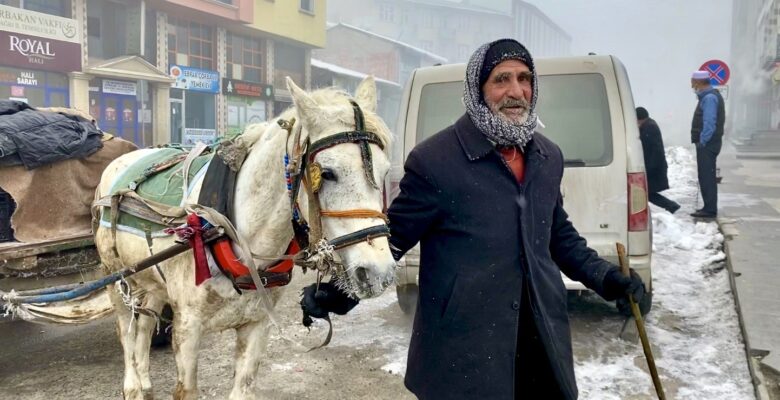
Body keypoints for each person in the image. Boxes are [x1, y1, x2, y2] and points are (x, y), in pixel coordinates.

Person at [386, 38, 647, 400]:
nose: (516, 91)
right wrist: (334, 293)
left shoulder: (546, 155)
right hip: (463, 350)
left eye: (524, 79)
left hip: (540, 340)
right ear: (478, 90)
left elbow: (558, 235)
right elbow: (390, 241)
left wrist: (608, 279)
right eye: (501, 79)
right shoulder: (435, 161)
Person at [690, 70, 725, 219]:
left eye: (692, 82)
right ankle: (708, 206)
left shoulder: (709, 98)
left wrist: (703, 141)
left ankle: (710, 209)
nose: (691, 85)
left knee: (706, 177)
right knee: (706, 176)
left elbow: (709, 123)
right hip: (709, 144)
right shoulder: (708, 96)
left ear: (698, 82)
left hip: (708, 144)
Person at [636, 107, 680, 214]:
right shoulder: (649, 125)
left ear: (639, 119)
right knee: (645, 192)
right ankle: (671, 206)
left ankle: (671, 206)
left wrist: (650, 168)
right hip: (654, 166)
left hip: (653, 167)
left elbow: (652, 150)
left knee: (645, 193)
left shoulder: (649, 128)